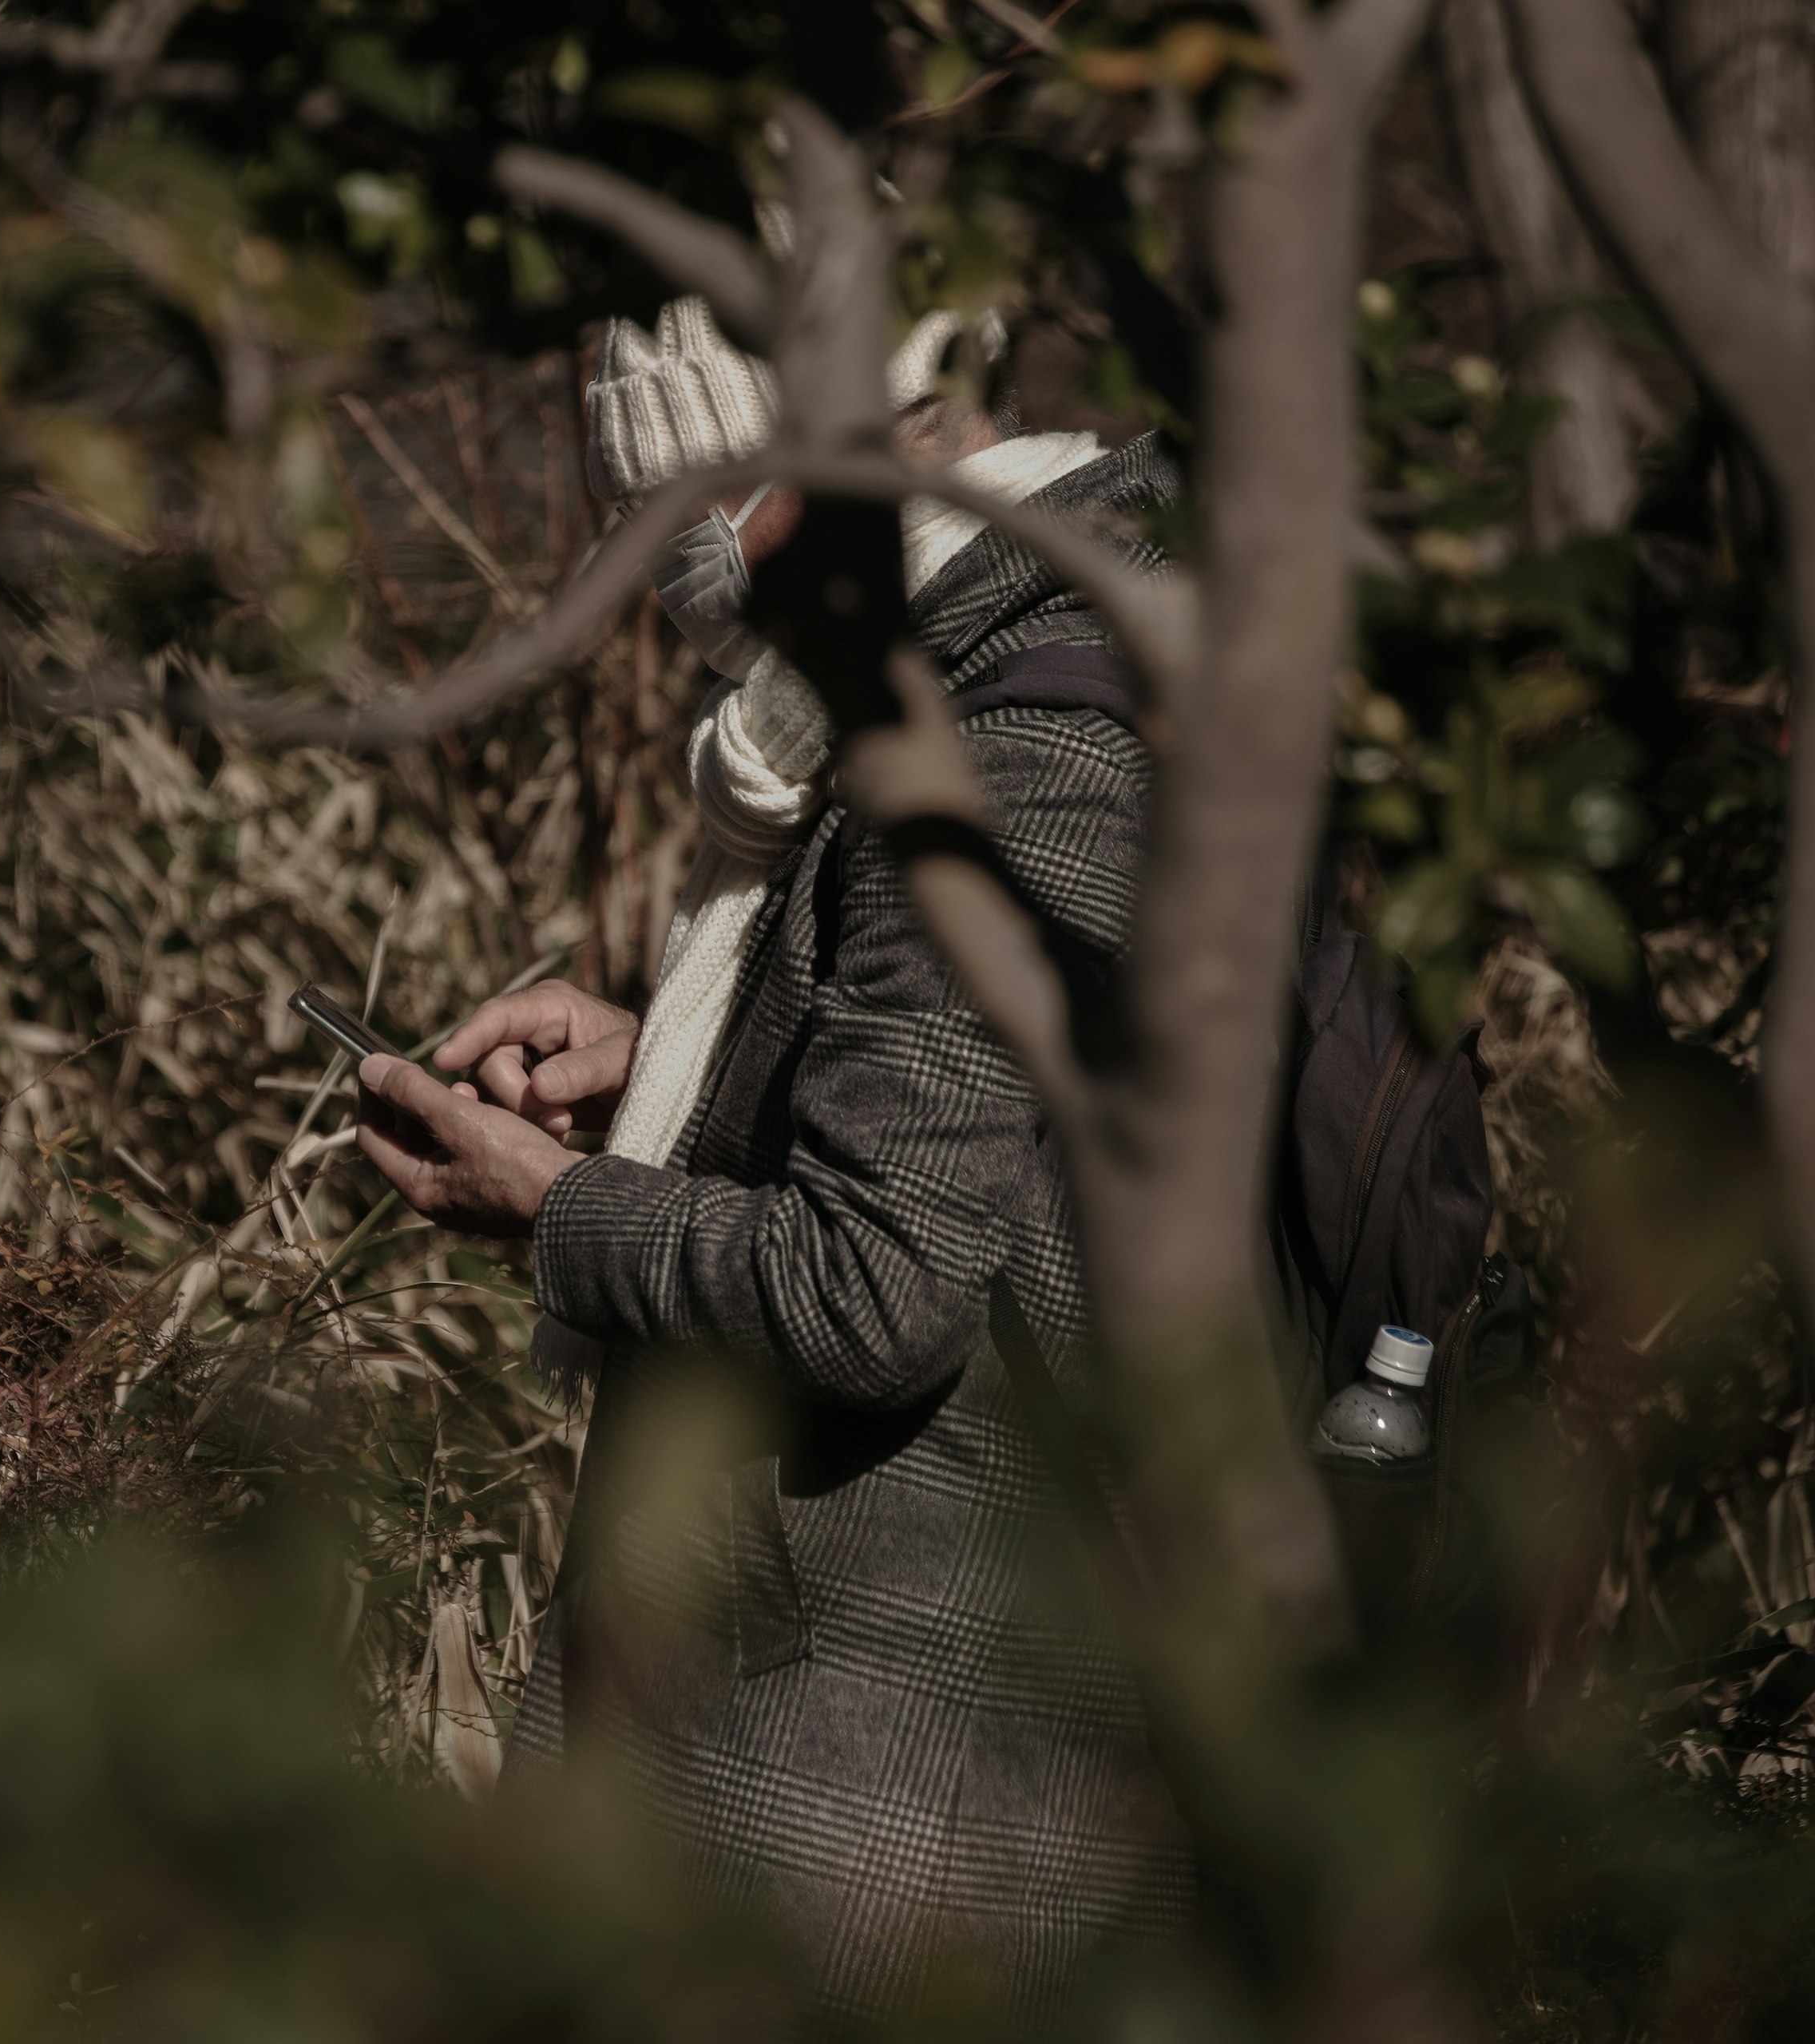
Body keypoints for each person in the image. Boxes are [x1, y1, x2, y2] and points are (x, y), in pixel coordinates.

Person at [349, 294, 1192, 2030]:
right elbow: (957, 1096)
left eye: (693, 514)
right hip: (831, 1731)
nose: (683, 588)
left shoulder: (1011, 741)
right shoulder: (963, 674)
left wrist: (554, 1202)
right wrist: (671, 1048)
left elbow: (869, 1285)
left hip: (885, 1783)